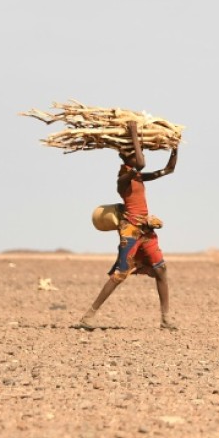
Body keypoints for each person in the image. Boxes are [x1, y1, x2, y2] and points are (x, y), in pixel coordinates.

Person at [78, 121, 178, 330]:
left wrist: (174, 147)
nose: (139, 156)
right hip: (130, 231)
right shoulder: (124, 178)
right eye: (134, 153)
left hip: (146, 230)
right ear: (126, 157)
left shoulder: (139, 176)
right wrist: (134, 133)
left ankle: (166, 319)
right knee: (119, 275)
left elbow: (169, 170)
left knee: (161, 270)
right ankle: (89, 316)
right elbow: (140, 163)